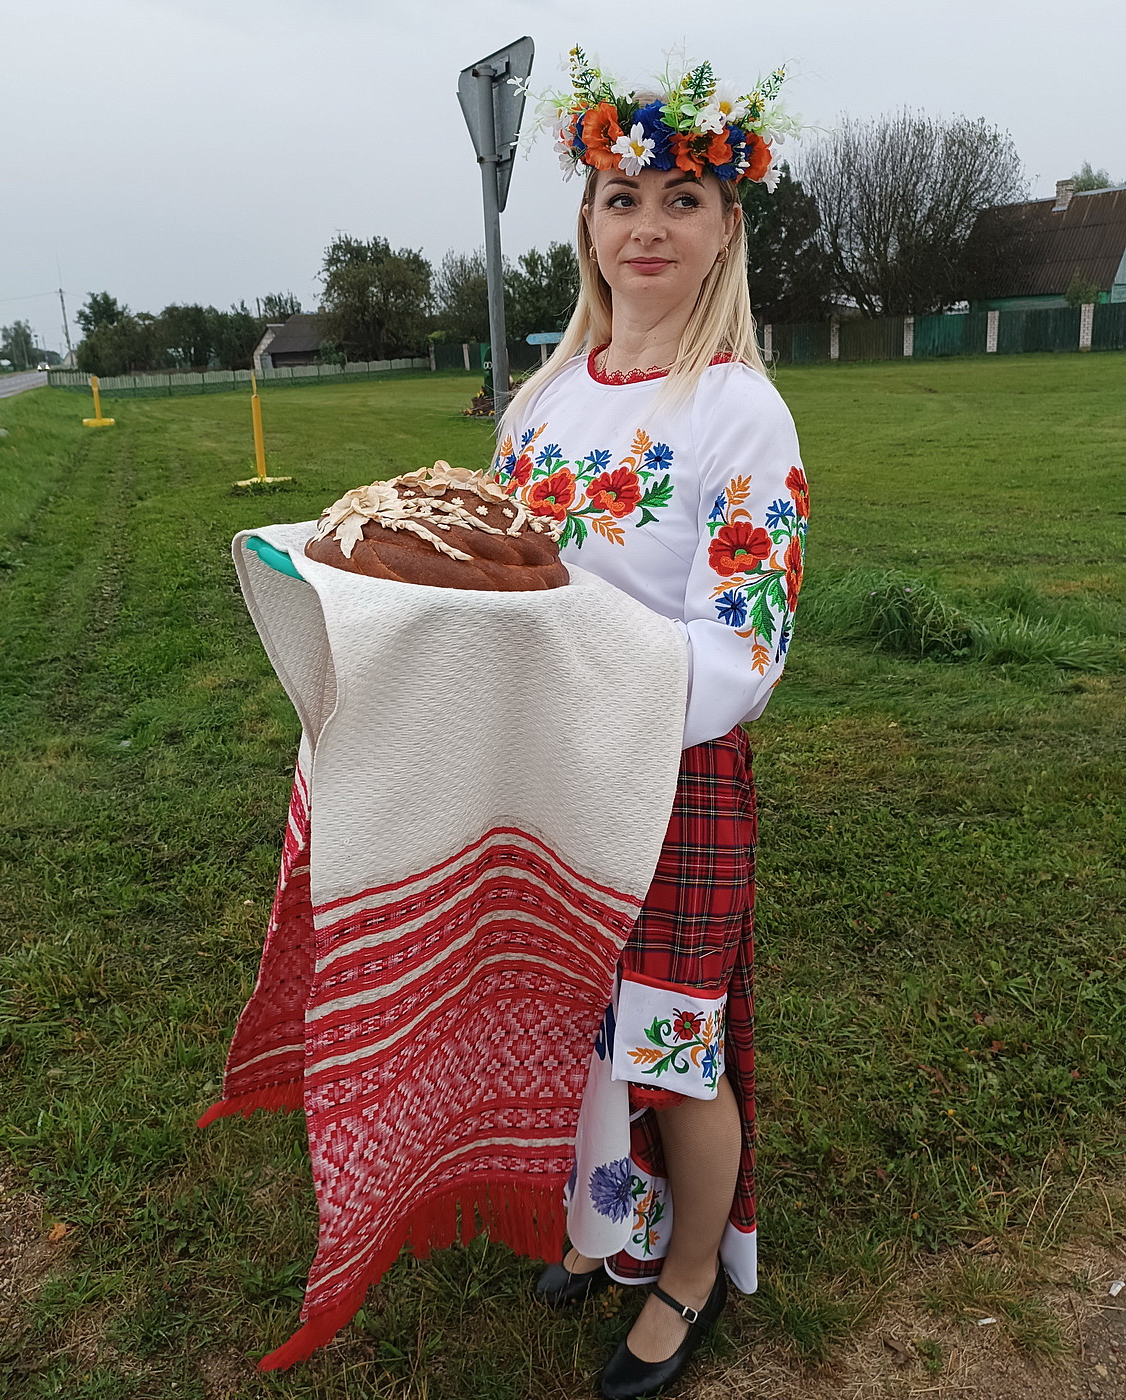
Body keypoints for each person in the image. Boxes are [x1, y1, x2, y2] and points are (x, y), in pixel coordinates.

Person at [492, 51, 809, 1400]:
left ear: (727, 226)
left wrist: (585, 686)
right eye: (624, 196)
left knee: (671, 1049)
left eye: (683, 199)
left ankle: (685, 1275)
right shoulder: (543, 402)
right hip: (547, 776)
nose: (649, 227)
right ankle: (609, 1219)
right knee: (574, 1022)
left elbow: (742, 647)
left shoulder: (740, 411)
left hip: (670, 781)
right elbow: (501, 576)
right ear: (587, 222)